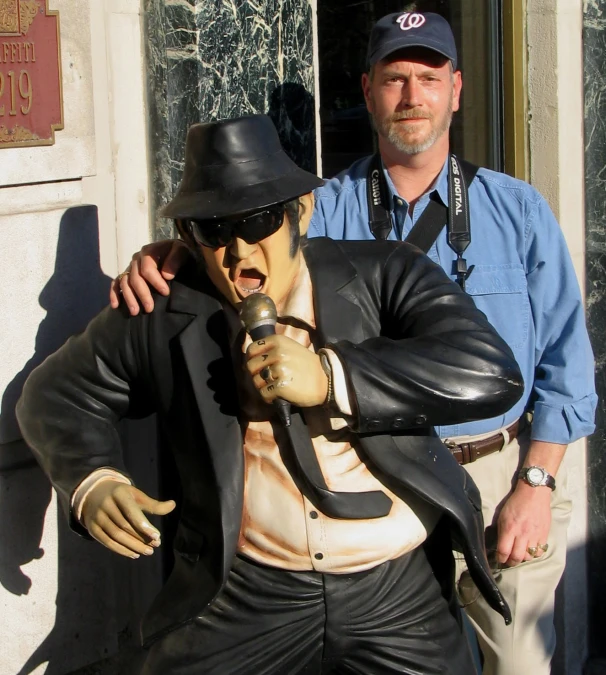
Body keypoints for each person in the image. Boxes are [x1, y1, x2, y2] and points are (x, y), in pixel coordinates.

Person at [115, 12, 597, 675]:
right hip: (372, 474)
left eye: (428, 78)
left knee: (517, 663)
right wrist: (168, 259)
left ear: (457, 89)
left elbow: (566, 367)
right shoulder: (315, 209)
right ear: (367, 91)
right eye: (394, 78)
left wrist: (536, 482)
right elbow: (241, 260)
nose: (411, 96)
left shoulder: (519, 211)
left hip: (497, 472)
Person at [17, 114, 524, 675]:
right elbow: (55, 394)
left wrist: (334, 379)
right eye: (213, 230)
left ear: (298, 213)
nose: (238, 253)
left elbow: (490, 369)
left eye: (257, 221)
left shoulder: (384, 274)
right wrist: (92, 479)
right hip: (251, 593)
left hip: (395, 590)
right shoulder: (168, 312)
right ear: (189, 238)